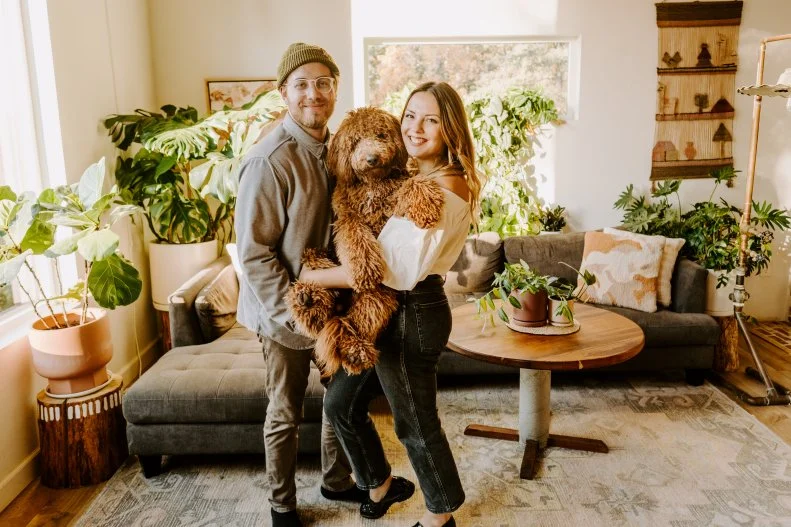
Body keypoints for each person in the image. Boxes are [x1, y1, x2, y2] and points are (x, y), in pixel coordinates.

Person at [300, 81, 481, 527]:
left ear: (450, 129)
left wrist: (311, 275)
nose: (416, 128)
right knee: (340, 404)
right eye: (410, 116)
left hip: (412, 310)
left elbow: (390, 270)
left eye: (431, 119)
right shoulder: (418, 176)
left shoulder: (444, 185)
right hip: (384, 308)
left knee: (415, 423)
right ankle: (379, 484)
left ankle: (441, 517)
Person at [235, 42, 368, 527]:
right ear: (284, 93)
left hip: (334, 303)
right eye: (302, 85)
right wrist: (295, 314)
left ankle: (336, 482)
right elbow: (253, 253)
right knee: (286, 411)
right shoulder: (268, 161)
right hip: (284, 313)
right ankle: (282, 505)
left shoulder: (337, 151)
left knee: (339, 401)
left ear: (335, 89)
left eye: (324, 83)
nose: (314, 93)